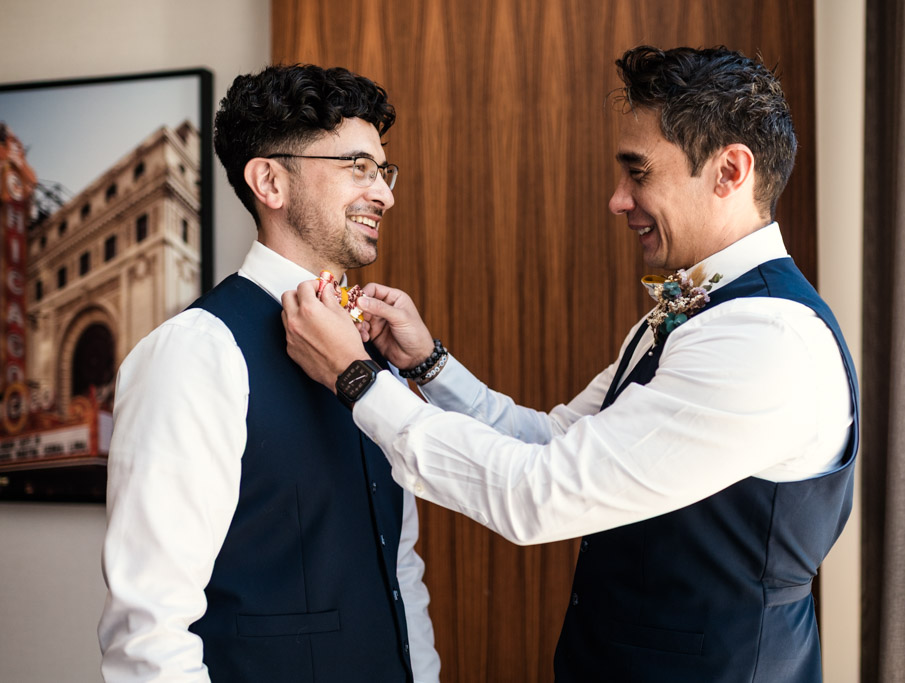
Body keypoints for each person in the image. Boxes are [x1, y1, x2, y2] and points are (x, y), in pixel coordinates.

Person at [282, 45, 858, 683]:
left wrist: (355, 379)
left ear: (729, 171)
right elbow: (558, 440)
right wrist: (428, 365)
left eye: (638, 172)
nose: (617, 199)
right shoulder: (696, 312)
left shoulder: (766, 340)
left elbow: (537, 493)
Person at [98, 64, 439, 682]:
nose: (385, 193)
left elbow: (401, 571)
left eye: (382, 171)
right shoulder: (195, 352)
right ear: (270, 182)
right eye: (357, 167)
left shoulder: (376, 344)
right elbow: (148, 629)